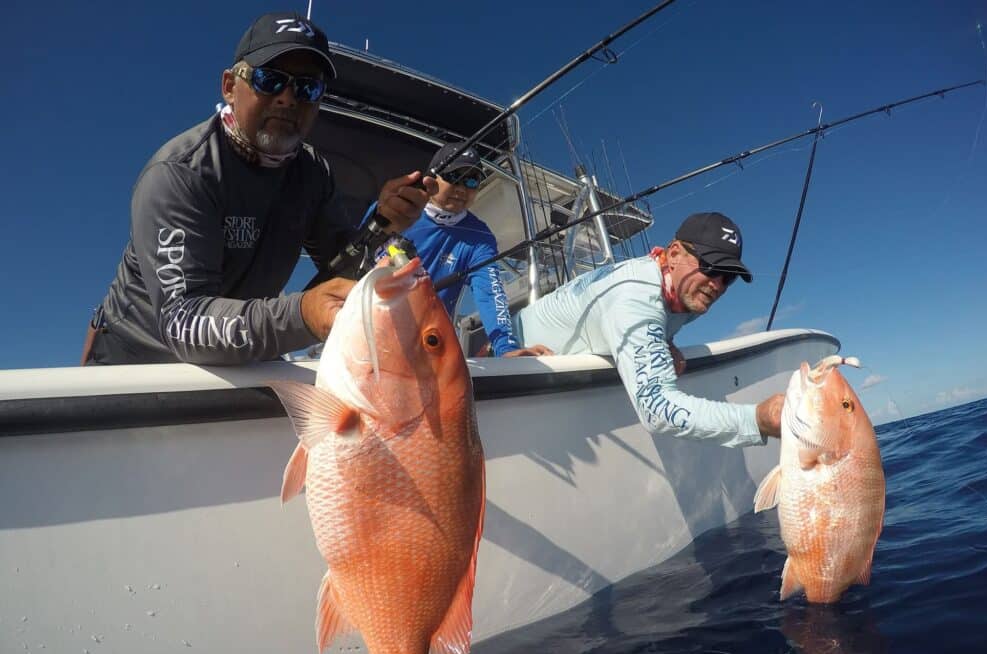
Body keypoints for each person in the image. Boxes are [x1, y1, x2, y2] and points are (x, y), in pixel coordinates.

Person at [83, 12, 436, 365]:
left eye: (306, 87)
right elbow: (184, 321)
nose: (288, 98)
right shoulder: (180, 173)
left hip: (242, 361)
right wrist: (302, 314)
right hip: (135, 366)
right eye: (269, 80)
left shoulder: (312, 174)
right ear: (229, 86)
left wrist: (384, 222)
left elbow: (340, 263)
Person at [514, 212, 784, 446]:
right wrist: (757, 419)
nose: (718, 285)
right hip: (507, 356)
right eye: (711, 268)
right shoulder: (634, 296)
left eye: (729, 277)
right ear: (675, 253)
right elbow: (657, 408)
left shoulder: (688, 294)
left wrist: (666, 341)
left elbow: (658, 319)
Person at [391, 142, 552, 358]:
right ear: (431, 179)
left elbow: (490, 293)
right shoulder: (397, 209)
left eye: (471, 180)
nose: (461, 188)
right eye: (454, 176)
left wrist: (506, 348)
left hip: (427, 347)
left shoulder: (480, 237)